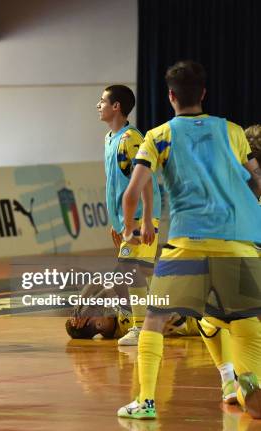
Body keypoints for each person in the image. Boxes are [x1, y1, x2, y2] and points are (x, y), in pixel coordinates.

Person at [117, 60, 261, 420]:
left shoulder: (159, 136)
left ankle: (146, 401)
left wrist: (138, 224)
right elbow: (256, 179)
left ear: (171, 96)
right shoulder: (232, 132)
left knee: (154, 318)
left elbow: (132, 191)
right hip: (239, 242)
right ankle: (248, 383)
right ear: (203, 94)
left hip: (187, 243)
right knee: (244, 320)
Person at [97, 85, 162, 346]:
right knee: (139, 272)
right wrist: (116, 222)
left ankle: (140, 327)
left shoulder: (131, 138)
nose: (98, 106)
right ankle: (154, 321)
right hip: (125, 222)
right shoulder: (109, 139)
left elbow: (145, 181)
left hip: (140, 219)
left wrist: (144, 219)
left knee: (129, 270)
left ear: (117, 107)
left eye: (102, 101)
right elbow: (115, 183)